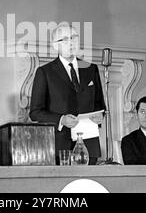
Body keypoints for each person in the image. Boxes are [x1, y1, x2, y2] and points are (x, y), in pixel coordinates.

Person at [29, 23, 106, 165]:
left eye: (74, 38)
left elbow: (100, 105)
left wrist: (100, 116)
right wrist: (61, 119)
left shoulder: (91, 69)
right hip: (59, 147)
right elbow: (35, 112)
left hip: (89, 147)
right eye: (64, 39)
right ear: (55, 46)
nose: (71, 43)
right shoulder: (45, 72)